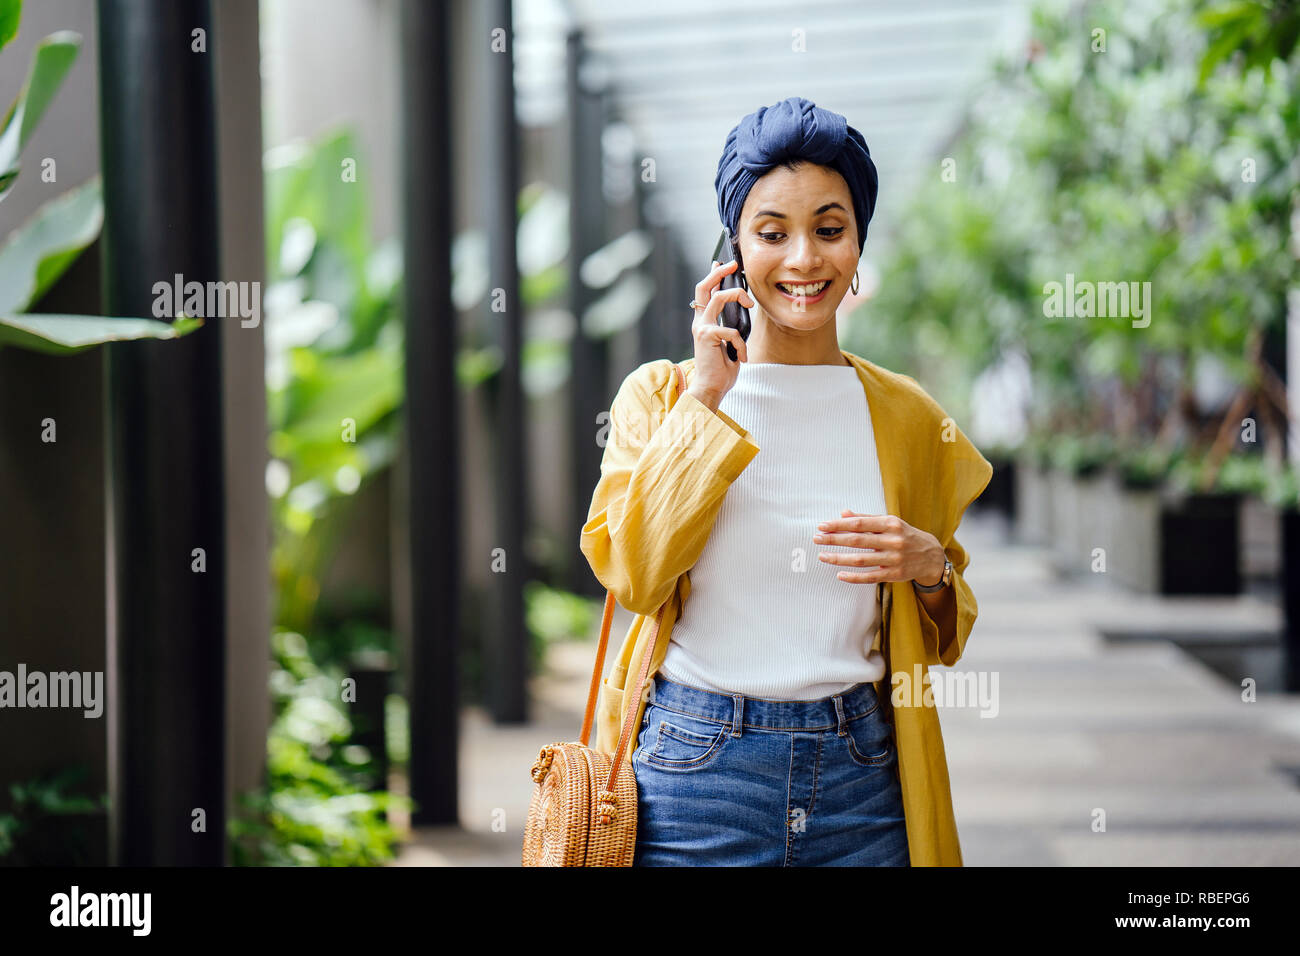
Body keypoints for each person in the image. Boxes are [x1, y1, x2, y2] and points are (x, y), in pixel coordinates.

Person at [580, 95, 992, 866]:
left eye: (829, 230)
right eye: (773, 233)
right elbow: (632, 572)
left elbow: (947, 629)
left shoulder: (907, 417)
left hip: (864, 780)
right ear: (733, 248)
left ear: (857, 242)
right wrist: (706, 397)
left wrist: (928, 565)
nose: (804, 259)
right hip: (696, 778)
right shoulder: (662, 396)